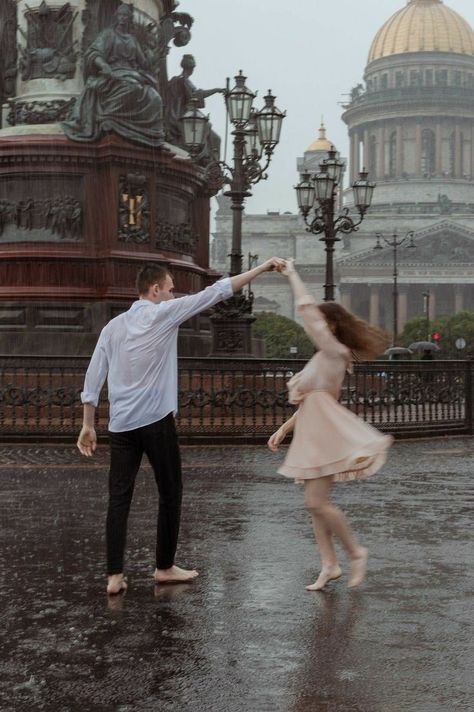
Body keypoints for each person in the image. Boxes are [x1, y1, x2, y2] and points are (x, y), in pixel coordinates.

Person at [77, 257, 286, 595]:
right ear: (156, 290)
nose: (175, 296)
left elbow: (94, 375)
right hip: (157, 422)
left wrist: (88, 424)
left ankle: (114, 576)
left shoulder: (112, 327)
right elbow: (218, 291)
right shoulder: (164, 313)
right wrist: (262, 268)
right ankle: (164, 566)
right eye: (171, 290)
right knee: (170, 493)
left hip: (121, 426)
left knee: (119, 498)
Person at [268, 260, 392, 591]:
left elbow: (305, 308)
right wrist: (285, 428)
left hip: (323, 430)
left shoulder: (334, 350)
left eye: (321, 323)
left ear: (332, 326)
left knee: (315, 503)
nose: (314, 327)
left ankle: (355, 551)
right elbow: (312, 399)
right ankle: (329, 565)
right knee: (314, 505)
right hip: (313, 426)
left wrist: (292, 274)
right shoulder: (325, 355)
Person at [63, 3, 164, 147]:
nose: (123, 18)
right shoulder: (108, 34)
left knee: (156, 98)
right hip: (114, 74)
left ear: (129, 19)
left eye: (126, 16)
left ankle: (150, 134)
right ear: (116, 17)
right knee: (133, 87)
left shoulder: (133, 40)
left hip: (132, 75)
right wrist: (104, 66)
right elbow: (93, 53)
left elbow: (144, 63)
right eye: (121, 15)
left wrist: (154, 54)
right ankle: (107, 117)